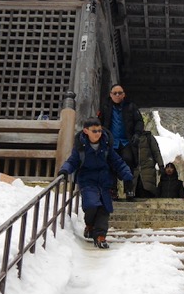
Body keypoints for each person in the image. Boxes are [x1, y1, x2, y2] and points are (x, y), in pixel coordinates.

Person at [59, 118, 134, 249]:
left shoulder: (106, 146)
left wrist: (127, 176)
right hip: (87, 181)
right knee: (92, 204)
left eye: (99, 130)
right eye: (94, 131)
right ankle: (89, 225)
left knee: (105, 208)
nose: (98, 133)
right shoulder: (80, 147)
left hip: (104, 181)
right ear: (86, 131)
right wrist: (64, 170)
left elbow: (118, 162)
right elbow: (72, 161)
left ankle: (100, 236)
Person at [98, 84, 144, 199]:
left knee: (128, 163)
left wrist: (137, 134)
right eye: (115, 93)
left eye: (120, 93)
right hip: (111, 142)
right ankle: (112, 190)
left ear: (124, 94)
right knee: (111, 165)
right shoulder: (105, 107)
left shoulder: (131, 107)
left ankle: (129, 190)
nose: (117, 95)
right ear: (111, 95)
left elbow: (139, 121)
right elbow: (99, 123)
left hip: (126, 141)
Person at [132, 129, 165, 198]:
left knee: (147, 192)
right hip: (135, 174)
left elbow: (156, 153)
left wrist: (161, 166)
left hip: (148, 172)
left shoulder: (148, 137)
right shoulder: (130, 137)